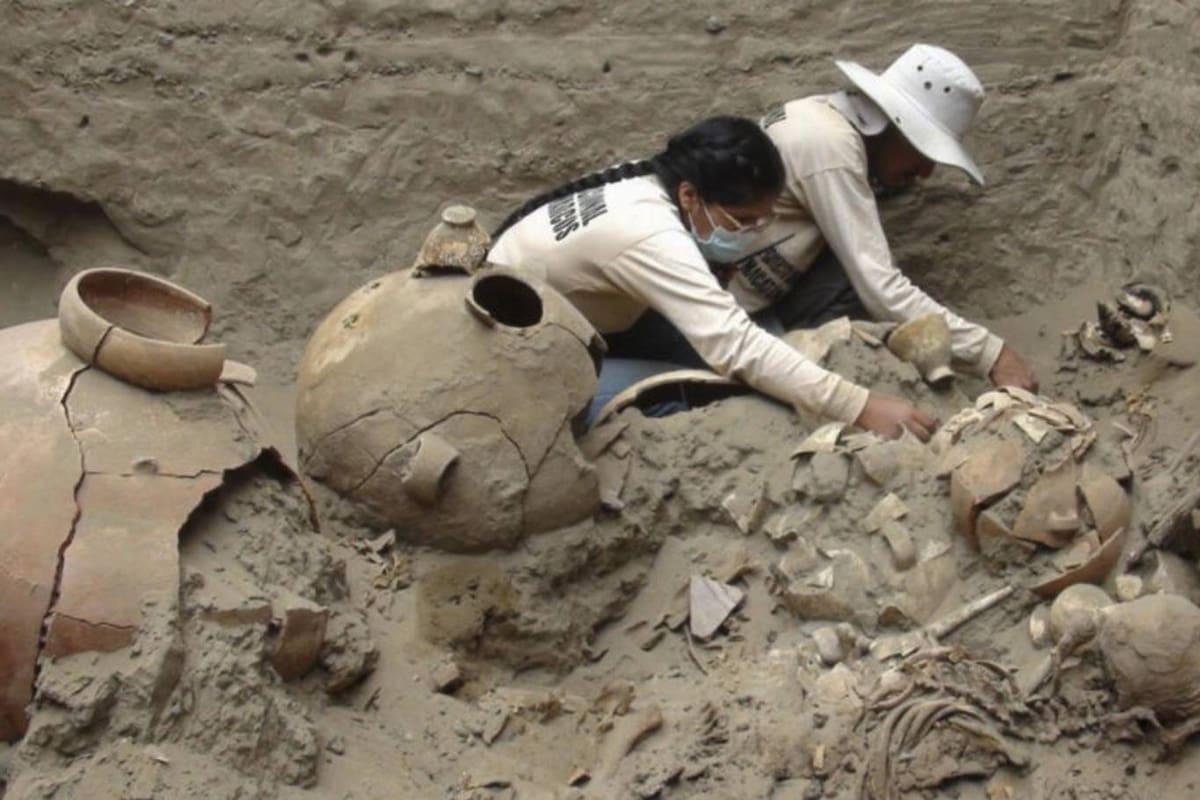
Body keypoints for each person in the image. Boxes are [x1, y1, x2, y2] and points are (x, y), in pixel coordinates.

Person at [488, 116, 937, 439]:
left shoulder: (645, 184)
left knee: (729, 358)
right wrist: (861, 406)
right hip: (511, 374)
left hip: (568, 325)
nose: (753, 233)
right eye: (743, 220)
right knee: (698, 394)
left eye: (763, 221)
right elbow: (735, 344)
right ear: (689, 194)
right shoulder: (647, 233)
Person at [727, 43, 1038, 397]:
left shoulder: (824, 122)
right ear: (895, 124)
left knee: (848, 274)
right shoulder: (830, 145)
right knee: (864, 280)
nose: (927, 171)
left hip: (755, 309)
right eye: (924, 151)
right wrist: (992, 355)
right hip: (707, 320)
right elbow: (880, 287)